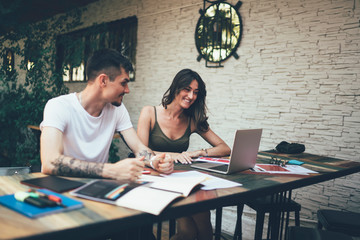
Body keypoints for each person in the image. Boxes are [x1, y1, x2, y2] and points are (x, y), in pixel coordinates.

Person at [40, 48, 174, 182]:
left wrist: (155, 161)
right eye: (123, 83)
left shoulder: (117, 110)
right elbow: (50, 162)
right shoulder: (59, 106)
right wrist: (112, 170)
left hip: (97, 187)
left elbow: (139, 148)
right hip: (60, 187)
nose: (127, 90)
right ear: (103, 80)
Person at [137, 68, 231, 240]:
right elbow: (141, 152)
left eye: (196, 92)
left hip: (178, 178)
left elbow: (224, 148)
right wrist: (174, 155)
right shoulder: (150, 112)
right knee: (201, 222)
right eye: (187, 89)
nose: (191, 96)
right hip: (152, 178)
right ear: (176, 88)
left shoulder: (192, 119)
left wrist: (198, 152)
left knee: (188, 232)